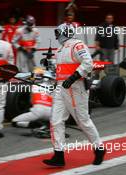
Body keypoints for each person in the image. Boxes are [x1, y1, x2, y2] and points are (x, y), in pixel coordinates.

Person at [43, 23, 106, 167]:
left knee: (82, 121)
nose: (56, 35)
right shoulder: (60, 49)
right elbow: (61, 68)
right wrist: (49, 64)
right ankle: (58, 155)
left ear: (65, 32)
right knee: (56, 120)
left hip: (76, 87)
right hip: (61, 88)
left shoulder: (77, 45)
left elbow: (88, 63)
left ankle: (99, 149)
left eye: (58, 32)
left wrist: (72, 78)